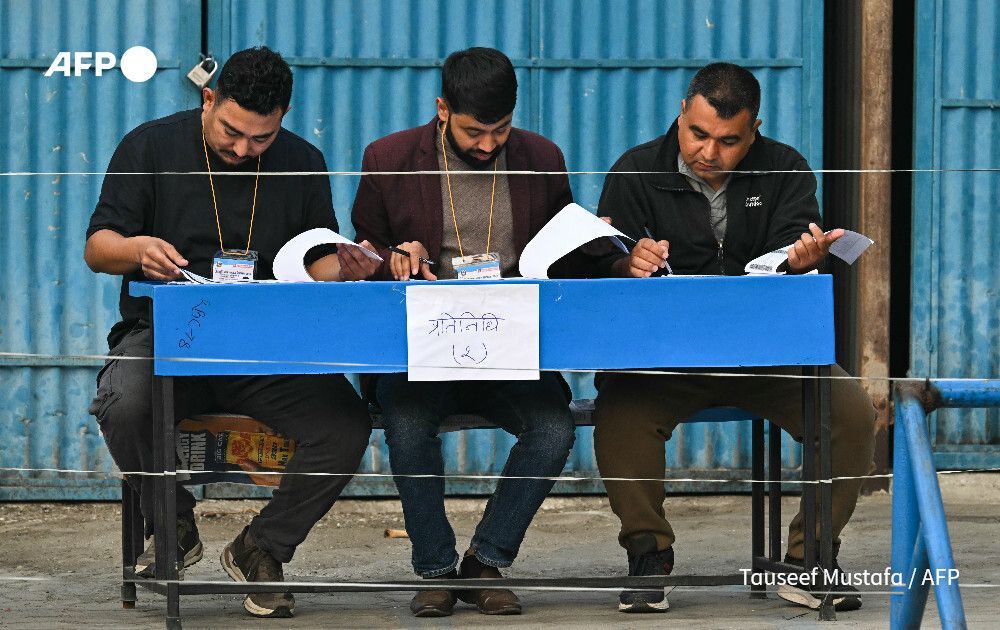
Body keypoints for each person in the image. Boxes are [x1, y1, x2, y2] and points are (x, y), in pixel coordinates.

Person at [85, 46, 377, 619]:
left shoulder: (303, 160)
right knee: (123, 403)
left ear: (283, 117)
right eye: (232, 132)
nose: (244, 149)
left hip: (266, 346)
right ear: (209, 98)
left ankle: (261, 547)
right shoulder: (149, 146)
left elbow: (313, 259)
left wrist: (348, 266)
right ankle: (174, 524)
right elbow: (99, 248)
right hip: (167, 335)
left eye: (261, 139)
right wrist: (137, 249)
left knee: (345, 425)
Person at [589, 62, 876, 614]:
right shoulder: (635, 170)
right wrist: (628, 264)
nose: (709, 153)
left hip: (764, 354)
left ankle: (809, 559)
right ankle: (649, 558)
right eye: (698, 134)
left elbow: (795, 252)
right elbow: (600, 262)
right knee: (620, 415)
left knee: (850, 414)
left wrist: (801, 262)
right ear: (681, 116)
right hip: (664, 359)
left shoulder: (786, 169)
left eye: (728, 141)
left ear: (754, 131)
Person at [352, 47, 583, 617]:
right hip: (421, 347)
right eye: (474, 131)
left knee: (554, 429)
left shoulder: (542, 157)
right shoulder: (389, 159)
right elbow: (361, 251)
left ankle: (485, 563)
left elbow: (563, 250)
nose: (487, 145)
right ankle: (434, 568)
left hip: (508, 346)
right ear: (441, 110)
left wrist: (593, 241)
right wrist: (393, 260)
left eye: (500, 130)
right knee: (406, 424)